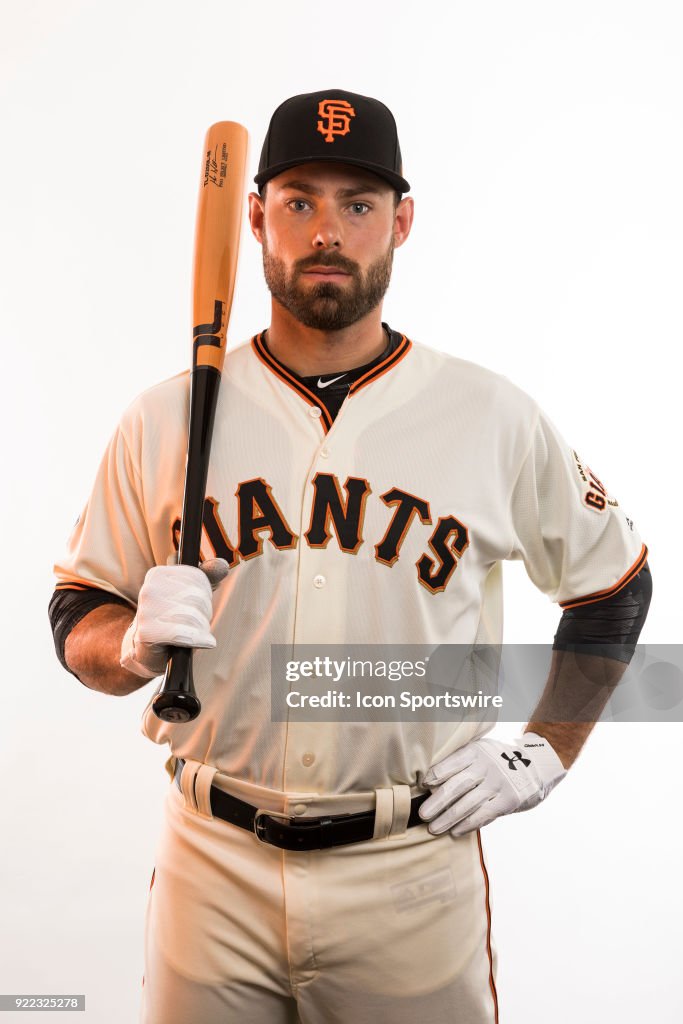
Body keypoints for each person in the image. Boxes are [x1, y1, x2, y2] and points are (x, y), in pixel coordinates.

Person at [49, 89, 652, 1024]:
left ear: (401, 222)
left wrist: (545, 751)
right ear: (253, 216)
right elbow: (77, 611)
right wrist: (129, 644)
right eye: (298, 200)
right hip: (213, 864)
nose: (327, 230)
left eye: (358, 204)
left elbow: (615, 586)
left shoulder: (491, 415)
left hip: (408, 871)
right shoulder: (160, 418)